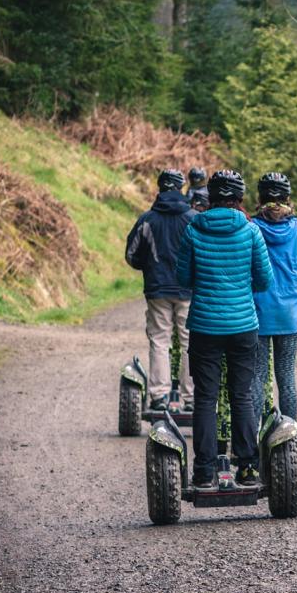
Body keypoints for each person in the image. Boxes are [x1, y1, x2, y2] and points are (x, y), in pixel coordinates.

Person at [176, 169, 272, 490]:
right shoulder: (251, 231)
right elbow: (264, 280)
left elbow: (183, 278)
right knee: (241, 395)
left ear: (211, 198)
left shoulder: (193, 230)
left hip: (204, 326)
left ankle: (204, 471)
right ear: (240, 199)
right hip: (243, 326)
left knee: (205, 398)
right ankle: (247, 468)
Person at [250, 172, 297, 423]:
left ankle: (256, 438)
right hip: (288, 316)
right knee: (286, 376)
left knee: (257, 376)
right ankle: (290, 438)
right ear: (288, 198)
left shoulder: (252, 228)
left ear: (260, 197)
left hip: (257, 314)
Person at [125, 168, 196, 412]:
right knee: (190, 342)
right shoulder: (193, 218)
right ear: (181, 188)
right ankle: (191, 397)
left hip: (157, 289)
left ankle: (159, 396)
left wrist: (149, 267)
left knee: (159, 340)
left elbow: (131, 255)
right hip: (188, 290)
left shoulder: (147, 219)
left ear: (160, 188)